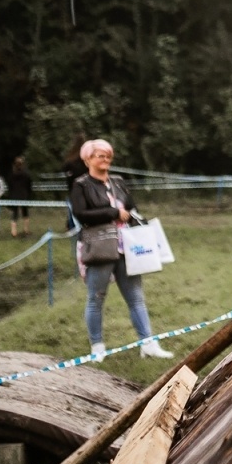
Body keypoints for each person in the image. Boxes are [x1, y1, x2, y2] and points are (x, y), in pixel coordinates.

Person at [70, 140, 173, 359]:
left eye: (108, 155)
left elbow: (132, 207)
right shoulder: (81, 185)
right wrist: (113, 213)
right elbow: (80, 214)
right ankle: (97, 347)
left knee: (136, 297)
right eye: (100, 155)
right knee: (96, 298)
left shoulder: (118, 181)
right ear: (88, 159)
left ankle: (148, 344)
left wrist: (136, 219)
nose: (105, 159)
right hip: (99, 248)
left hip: (128, 247)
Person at [7, 156, 32, 238]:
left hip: (14, 195)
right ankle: (26, 230)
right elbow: (29, 185)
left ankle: (13, 232)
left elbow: (9, 185)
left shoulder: (11, 174)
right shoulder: (26, 174)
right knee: (25, 212)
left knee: (14, 213)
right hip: (24, 195)